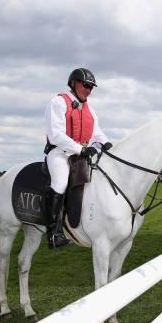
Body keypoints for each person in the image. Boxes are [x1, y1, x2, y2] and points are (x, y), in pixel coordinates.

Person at [44, 68, 112, 249]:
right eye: (85, 85)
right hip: (59, 153)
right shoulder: (58, 102)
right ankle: (53, 233)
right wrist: (80, 149)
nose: (88, 90)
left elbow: (97, 134)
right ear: (73, 83)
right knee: (59, 182)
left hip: (81, 155)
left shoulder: (90, 110)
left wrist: (107, 144)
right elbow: (55, 135)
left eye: (91, 87)